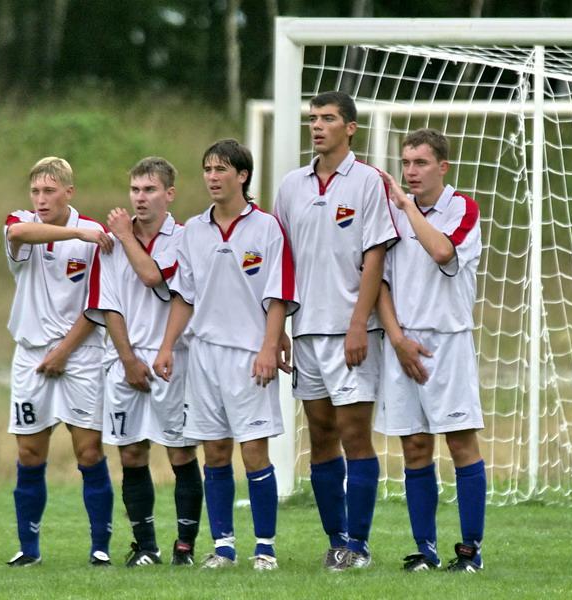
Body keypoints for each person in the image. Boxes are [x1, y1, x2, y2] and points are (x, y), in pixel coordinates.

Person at [153, 139, 297, 570]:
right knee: (214, 452)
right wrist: (165, 346)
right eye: (207, 169)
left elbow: (277, 295)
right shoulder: (194, 230)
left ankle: (265, 547)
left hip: (250, 355)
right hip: (204, 356)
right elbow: (184, 296)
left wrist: (269, 347)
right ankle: (224, 547)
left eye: (221, 169)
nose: (213, 177)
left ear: (242, 176)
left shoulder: (267, 228)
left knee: (254, 451)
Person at [274, 90, 398, 570]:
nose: (318, 126)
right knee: (321, 435)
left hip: (351, 330)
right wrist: (280, 325)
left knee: (354, 434)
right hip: (305, 330)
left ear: (350, 127)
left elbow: (376, 256)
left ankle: (360, 547)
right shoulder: (291, 186)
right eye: (313, 118)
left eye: (328, 118)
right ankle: (337, 540)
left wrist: (357, 324)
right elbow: (281, 262)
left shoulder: (369, 182)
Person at [376, 129, 486, 573]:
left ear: (443, 166)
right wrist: (397, 339)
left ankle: (471, 552)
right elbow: (378, 281)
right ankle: (426, 549)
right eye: (405, 163)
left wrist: (406, 205)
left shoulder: (463, 208)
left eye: (420, 163)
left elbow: (442, 250)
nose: (411, 172)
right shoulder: (388, 215)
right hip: (402, 341)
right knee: (415, 446)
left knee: (460, 442)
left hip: (448, 340)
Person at [84, 157, 203, 567]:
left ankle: (184, 547)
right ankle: (146, 547)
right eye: (135, 190)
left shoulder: (185, 238)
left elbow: (154, 277)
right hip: (125, 361)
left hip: (173, 359)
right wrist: (128, 358)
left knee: (180, 453)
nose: (140, 198)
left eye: (149, 190)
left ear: (169, 194)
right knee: (131, 453)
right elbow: (108, 306)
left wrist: (123, 235)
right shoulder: (110, 244)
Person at [3, 157, 115, 567]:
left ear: (69, 191)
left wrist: (64, 352)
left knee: (88, 451)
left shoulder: (97, 235)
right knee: (30, 454)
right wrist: (75, 231)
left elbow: (99, 303)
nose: (40, 199)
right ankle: (28, 550)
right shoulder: (23, 221)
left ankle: (100, 547)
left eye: (50, 191)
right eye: (36, 191)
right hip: (31, 354)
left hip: (80, 355)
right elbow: (18, 232)